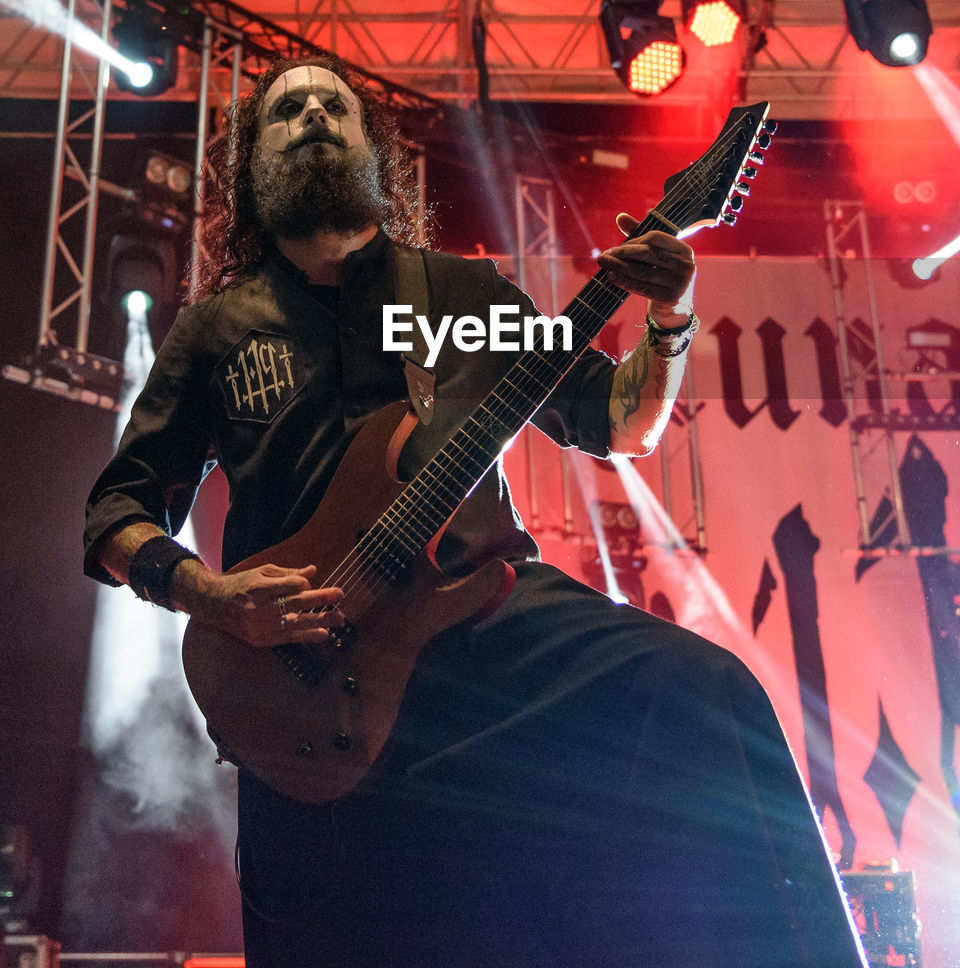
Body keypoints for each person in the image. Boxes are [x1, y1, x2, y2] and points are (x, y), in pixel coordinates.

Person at [83, 55, 866, 968]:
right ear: (251, 165)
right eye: (284, 110)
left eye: (330, 104)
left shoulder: (463, 297)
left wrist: (669, 318)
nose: (308, 117)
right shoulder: (215, 330)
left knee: (707, 694)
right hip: (294, 674)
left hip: (480, 628)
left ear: (370, 146)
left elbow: (621, 420)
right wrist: (214, 599)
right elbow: (115, 515)